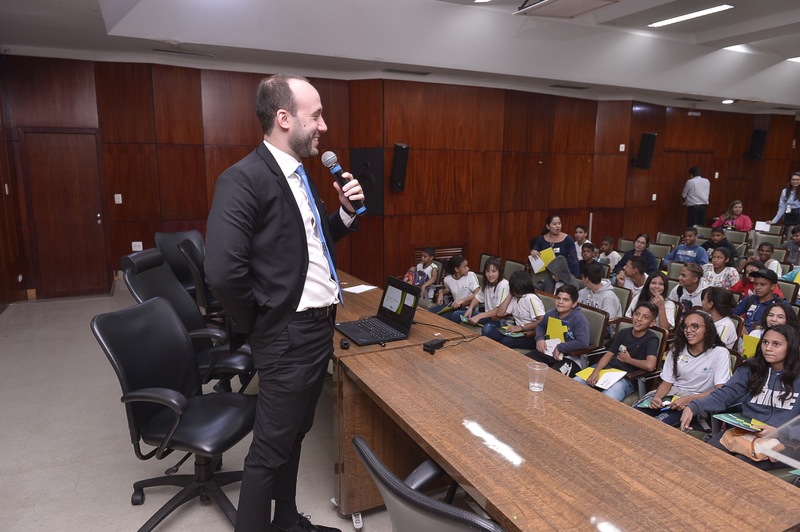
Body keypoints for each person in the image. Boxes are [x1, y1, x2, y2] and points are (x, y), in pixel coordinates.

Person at [205, 74, 363, 532]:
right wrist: (262, 322)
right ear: (284, 118)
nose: (324, 126)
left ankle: (287, 522)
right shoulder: (243, 178)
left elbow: (312, 244)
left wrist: (345, 213)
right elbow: (223, 272)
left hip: (316, 329)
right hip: (286, 334)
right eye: (316, 116)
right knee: (268, 452)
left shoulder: (298, 174)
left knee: (295, 435)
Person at [680, 324, 800, 471]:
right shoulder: (751, 369)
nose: (768, 348)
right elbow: (726, 394)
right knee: (706, 455)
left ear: (790, 347)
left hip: (787, 442)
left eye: (776, 344)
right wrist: (694, 406)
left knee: (737, 466)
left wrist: (779, 432)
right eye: (765, 342)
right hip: (746, 433)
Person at [638, 310, 730, 426]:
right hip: (672, 396)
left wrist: (688, 399)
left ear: (707, 329)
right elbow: (667, 383)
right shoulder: (677, 350)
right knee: (635, 413)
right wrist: (657, 397)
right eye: (685, 327)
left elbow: (719, 390)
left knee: (658, 423)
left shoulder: (720, 353)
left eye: (694, 326)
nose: (688, 330)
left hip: (698, 401)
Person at [574, 301, 660, 401]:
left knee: (606, 399)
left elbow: (650, 365)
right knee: (575, 383)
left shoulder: (651, 339)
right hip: (608, 370)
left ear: (652, 323)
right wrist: (596, 371)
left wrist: (628, 360)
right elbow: (609, 354)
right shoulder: (624, 333)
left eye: (645, 317)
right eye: (637, 314)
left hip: (627, 378)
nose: (639, 319)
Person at [529, 284, 590, 377]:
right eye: (558, 298)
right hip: (548, 352)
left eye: (565, 300)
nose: (560, 302)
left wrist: (560, 347)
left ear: (574, 304)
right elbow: (540, 326)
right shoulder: (551, 313)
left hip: (570, 358)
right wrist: (539, 339)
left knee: (552, 377)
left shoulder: (579, 319)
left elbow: (583, 342)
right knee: (523, 362)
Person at [481, 271, 545, 350]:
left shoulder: (531, 298)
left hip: (531, 335)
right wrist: (510, 295)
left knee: (506, 342)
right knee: (491, 334)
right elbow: (500, 313)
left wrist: (522, 327)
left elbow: (542, 321)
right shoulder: (515, 297)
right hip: (518, 332)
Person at [733, 268, 783, 333]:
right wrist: (739, 326)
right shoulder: (749, 299)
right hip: (742, 335)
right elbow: (733, 315)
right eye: (755, 284)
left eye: (762, 284)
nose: (757, 287)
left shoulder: (780, 305)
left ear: (772, 286)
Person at [429, 255, 480, 320]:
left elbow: (477, 294)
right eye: (465, 266)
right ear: (456, 269)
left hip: (467, 308)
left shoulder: (471, 276)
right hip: (454, 307)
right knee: (430, 311)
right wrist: (441, 293)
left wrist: (461, 301)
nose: (468, 268)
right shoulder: (447, 279)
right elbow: (448, 289)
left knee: (446, 317)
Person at [463, 257, 509, 326]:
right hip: (487, 317)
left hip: (499, 320)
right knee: (457, 315)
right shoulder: (487, 283)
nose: (490, 275)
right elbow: (477, 297)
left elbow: (498, 310)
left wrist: (479, 316)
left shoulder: (503, 284)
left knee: (487, 329)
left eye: (493, 271)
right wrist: (470, 308)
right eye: (487, 271)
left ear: (499, 272)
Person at [578, 262, 622, 335]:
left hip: (604, 332)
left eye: (582, 276)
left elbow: (607, 322)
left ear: (587, 279)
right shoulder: (583, 292)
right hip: (584, 326)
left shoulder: (609, 297)